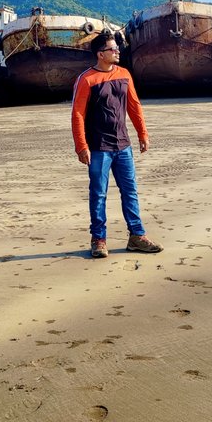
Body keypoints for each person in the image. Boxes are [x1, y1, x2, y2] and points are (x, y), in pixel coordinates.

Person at [71, 32, 162, 259]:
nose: (117, 51)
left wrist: (143, 134)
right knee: (98, 194)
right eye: (113, 49)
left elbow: (134, 106)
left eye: (117, 48)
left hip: (123, 146)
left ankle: (136, 236)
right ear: (101, 54)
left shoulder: (124, 75)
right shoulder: (86, 79)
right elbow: (78, 115)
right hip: (99, 148)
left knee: (130, 191)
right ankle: (99, 240)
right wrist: (81, 146)